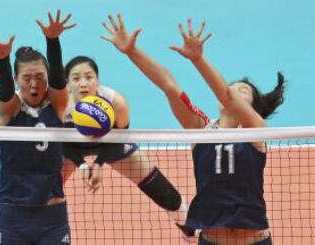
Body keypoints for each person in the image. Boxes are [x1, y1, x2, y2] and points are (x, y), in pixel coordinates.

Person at [101, 14, 286, 244]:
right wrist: (132, 52)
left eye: (243, 92)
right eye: (233, 88)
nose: (234, 92)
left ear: (252, 108)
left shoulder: (256, 131)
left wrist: (198, 59)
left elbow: (226, 96)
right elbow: (169, 86)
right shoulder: (200, 131)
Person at [60, 31, 187, 227]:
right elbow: (58, 143)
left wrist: (100, 163)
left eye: (89, 77)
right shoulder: (60, 105)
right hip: (70, 148)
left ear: (98, 79)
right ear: (67, 83)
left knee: (162, 190)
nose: (83, 83)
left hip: (110, 143)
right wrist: (83, 165)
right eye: (76, 78)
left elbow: (120, 137)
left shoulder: (115, 102)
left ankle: (189, 227)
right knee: (45, 190)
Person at [0, 10, 75, 245]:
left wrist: (53, 41)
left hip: (53, 218)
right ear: (16, 79)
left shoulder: (58, 105)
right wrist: (3, 61)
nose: (34, 85)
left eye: (41, 77)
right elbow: (5, 92)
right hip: (13, 219)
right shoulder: (10, 111)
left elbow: (60, 81)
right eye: (27, 78)